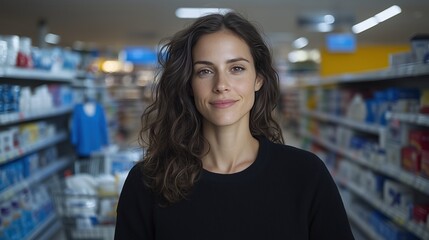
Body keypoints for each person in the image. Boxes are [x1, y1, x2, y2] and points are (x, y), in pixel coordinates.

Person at [114, 12, 354, 240]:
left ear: (258, 78)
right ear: (188, 83)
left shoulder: (306, 175)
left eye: (236, 68)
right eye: (205, 71)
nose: (221, 85)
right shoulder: (148, 182)